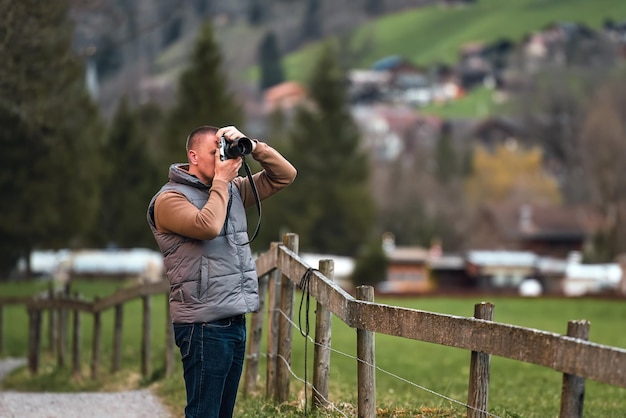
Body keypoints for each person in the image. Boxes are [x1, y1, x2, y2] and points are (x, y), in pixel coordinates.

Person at [147, 125, 296, 418]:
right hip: (203, 324)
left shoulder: (230, 191)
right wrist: (222, 181)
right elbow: (208, 226)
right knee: (204, 413)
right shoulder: (169, 200)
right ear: (193, 156)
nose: (221, 159)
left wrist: (252, 146)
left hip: (234, 319)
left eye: (224, 151)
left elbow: (285, 175)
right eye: (214, 153)